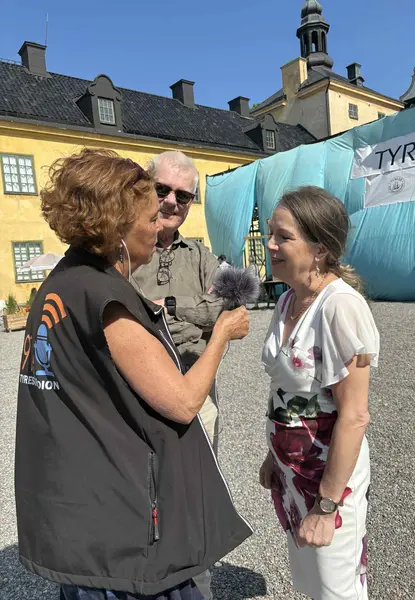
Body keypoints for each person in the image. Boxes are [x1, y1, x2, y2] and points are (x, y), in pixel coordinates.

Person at [15, 149, 252, 600]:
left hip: (83, 518)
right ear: (117, 227)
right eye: (150, 215)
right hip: (122, 541)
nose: (159, 224)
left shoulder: (61, 283)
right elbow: (183, 403)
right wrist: (221, 334)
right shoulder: (107, 298)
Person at [259, 186, 379, 600]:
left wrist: (327, 507)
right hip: (293, 473)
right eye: (270, 233)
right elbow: (286, 388)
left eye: (283, 236)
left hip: (329, 482)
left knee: (337, 589)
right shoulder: (288, 301)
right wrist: (273, 457)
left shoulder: (340, 307)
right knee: (312, 583)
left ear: (320, 249)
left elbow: (354, 416)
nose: (270, 244)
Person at [133, 152, 223, 452]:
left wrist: (169, 305)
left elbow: (225, 306)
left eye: (183, 196)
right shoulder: (123, 251)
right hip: (140, 392)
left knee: (201, 471)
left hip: (197, 390)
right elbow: (125, 319)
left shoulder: (200, 255)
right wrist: (196, 320)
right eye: (162, 189)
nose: (171, 202)